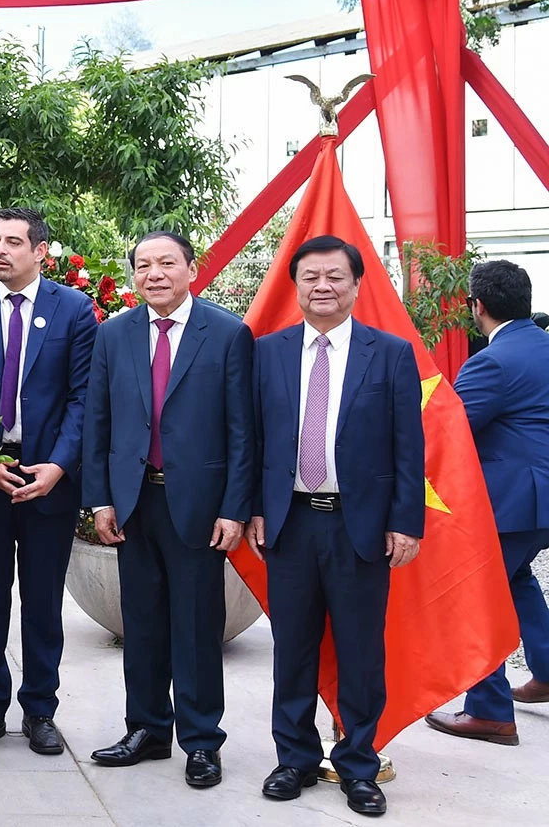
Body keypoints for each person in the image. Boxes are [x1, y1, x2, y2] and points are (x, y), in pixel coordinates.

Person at [247, 235, 423, 818]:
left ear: (356, 283)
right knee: (291, 648)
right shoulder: (267, 352)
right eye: (311, 277)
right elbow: (253, 440)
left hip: (361, 526)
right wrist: (254, 507)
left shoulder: (390, 354)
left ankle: (358, 765)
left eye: (334, 277)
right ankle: (293, 758)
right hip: (291, 523)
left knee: (360, 652)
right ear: (295, 285)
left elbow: (408, 446)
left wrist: (405, 521)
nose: (322, 287)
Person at [81, 231, 255, 788]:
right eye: (143, 265)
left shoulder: (227, 333)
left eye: (166, 263)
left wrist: (234, 507)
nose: (154, 274)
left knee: (198, 627)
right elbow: (99, 424)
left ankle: (202, 742)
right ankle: (148, 729)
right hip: (134, 502)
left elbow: (241, 432)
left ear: (190, 269)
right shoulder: (114, 335)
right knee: (144, 623)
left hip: (200, 507)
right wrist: (99, 498)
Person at [0, 207, 97, 757]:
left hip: (48, 472)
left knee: (43, 600)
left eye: (12, 241)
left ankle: (40, 711)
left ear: (40, 252)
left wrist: (59, 465)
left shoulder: (74, 310)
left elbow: (83, 398)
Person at [425, 260, 549, 744]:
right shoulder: (541, 346)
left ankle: (489, 711)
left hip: (511, 504)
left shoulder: (493, 361)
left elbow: (448, 432)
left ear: (475, 305)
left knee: (474, 595)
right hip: (537, 504)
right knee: (515, 578)